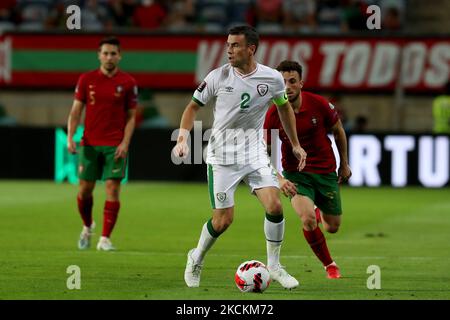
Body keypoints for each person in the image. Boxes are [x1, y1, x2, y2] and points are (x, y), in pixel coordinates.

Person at [173, 25, 307, 289]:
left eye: (235, 45)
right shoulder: (217, 77)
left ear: (251, 49)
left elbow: (284, 110)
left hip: (253, 153)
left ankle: (275, 266)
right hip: (222, 157)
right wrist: (182, 138)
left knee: (275, 206)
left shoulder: (271, 78)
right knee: (223, 221)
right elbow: (192, 108)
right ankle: (196, 257)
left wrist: (295, 144)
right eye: (228, 45)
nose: (229, 50)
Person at [264, 60, 351, 279]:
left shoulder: (319, 104)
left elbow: (338, 131)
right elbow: (264, 150)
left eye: (292, 81)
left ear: (301, 83)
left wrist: (345, 163)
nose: (287, 86)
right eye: (282, 82)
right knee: (307, 219)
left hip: (325, 172)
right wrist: (279, 178)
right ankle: (329, 264)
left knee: (332, 227)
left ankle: (320, 211)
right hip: (296, 175)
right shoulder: (273, 114)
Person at [67, 36, 138, 251]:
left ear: (120, 56)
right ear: (99, 55)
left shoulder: (128, 83)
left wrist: (125, 142)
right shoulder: (86, 80)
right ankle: (88, 226)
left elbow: (131, 117)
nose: (109, 57)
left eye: (113, 53)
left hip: (114, 145)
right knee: (85, 190)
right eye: (105, 53)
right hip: (89, 144)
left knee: (112, 188)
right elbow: (76, 111)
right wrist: (70, 137)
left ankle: (105, 239)